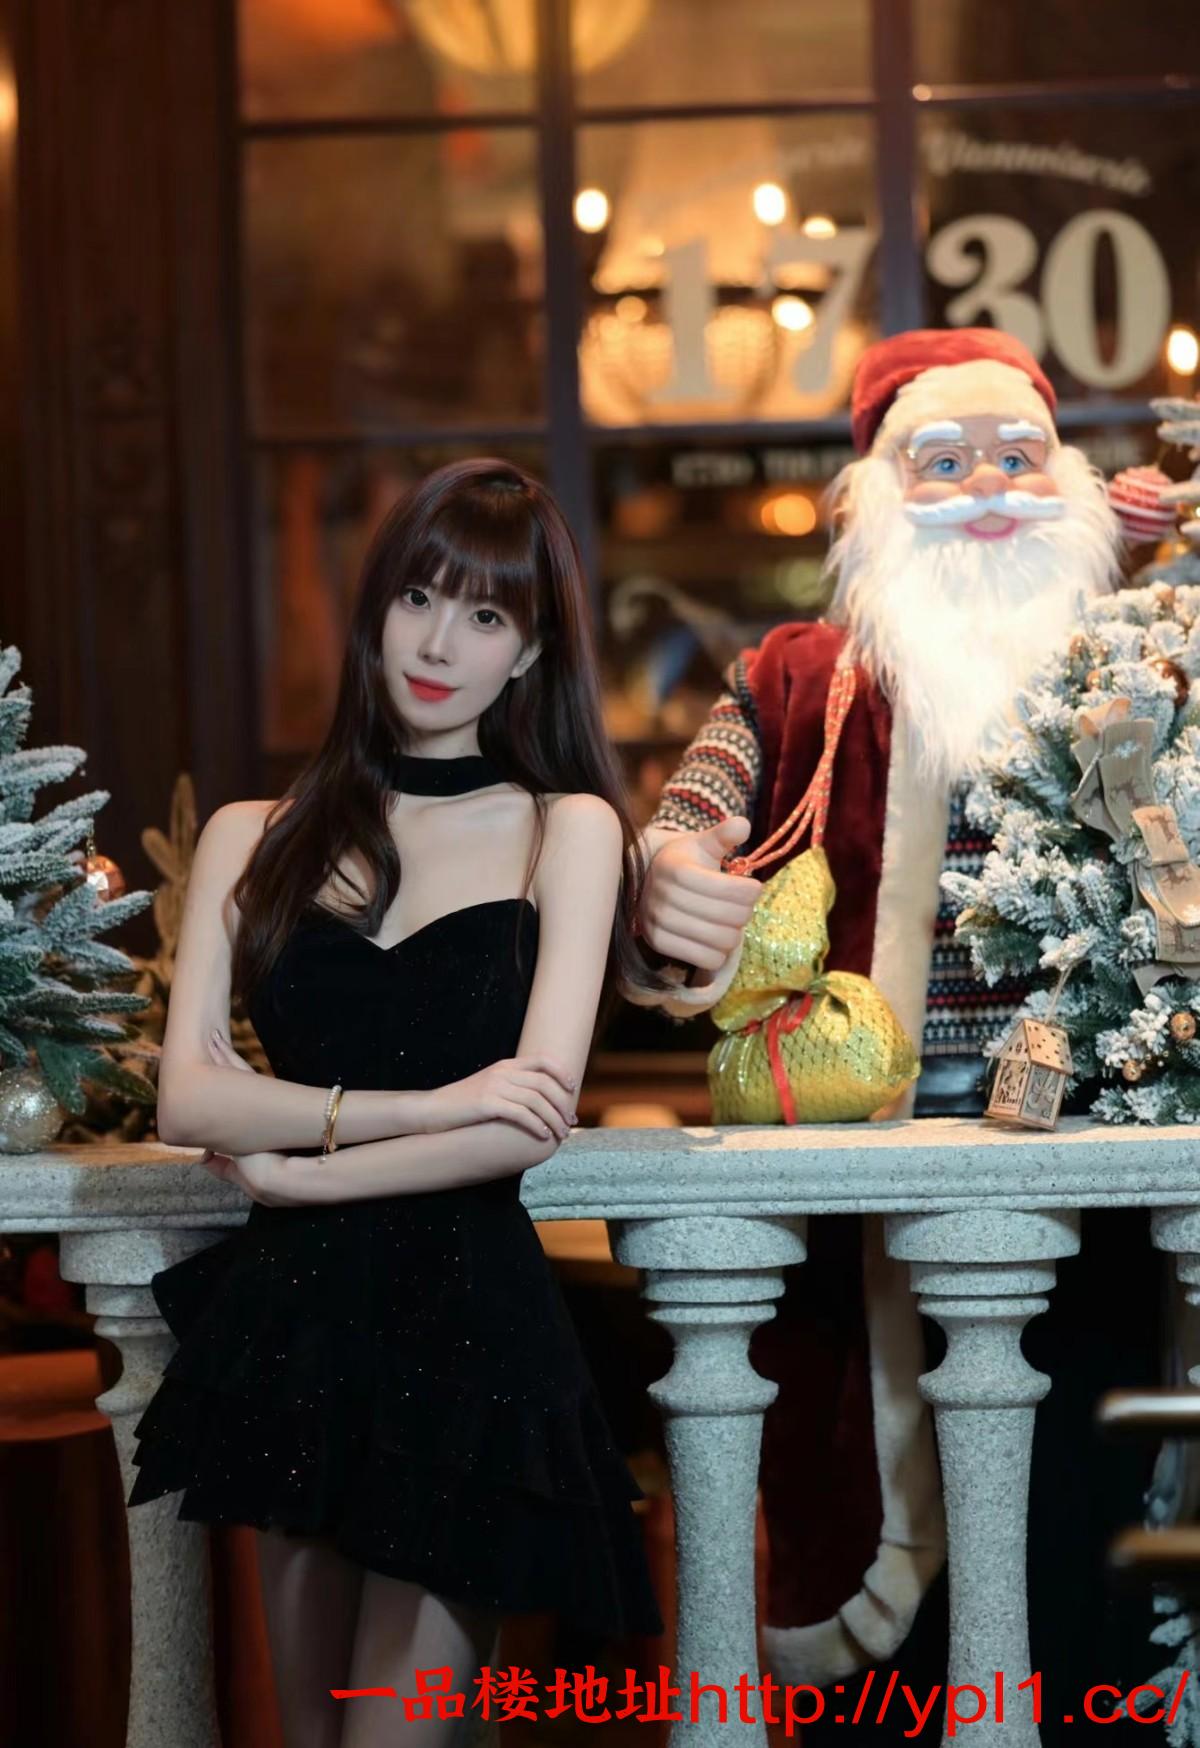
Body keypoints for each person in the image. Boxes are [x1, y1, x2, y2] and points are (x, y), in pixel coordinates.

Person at [127, 458, 668, 1748]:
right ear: (373, 609)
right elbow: (189, 1097)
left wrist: (297, 1167)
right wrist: (424, 1107)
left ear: (529, 651)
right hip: (294, 1334)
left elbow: (526, 1122)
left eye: (484, 615)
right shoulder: (254, 832)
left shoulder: (570, 828)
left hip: (467, 1333)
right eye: (417, 598)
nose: (437, 644)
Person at [622, 329, 1129, 1697]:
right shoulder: (797, 676)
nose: (988, 489)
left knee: (1080, 1534)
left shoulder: (1131, 669)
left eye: (1019, 456)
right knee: (875, 1521)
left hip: (1091, 1183)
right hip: (862, 1183)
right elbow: (702, 797)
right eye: (943, 462)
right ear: (877, 498)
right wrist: (670, 866)